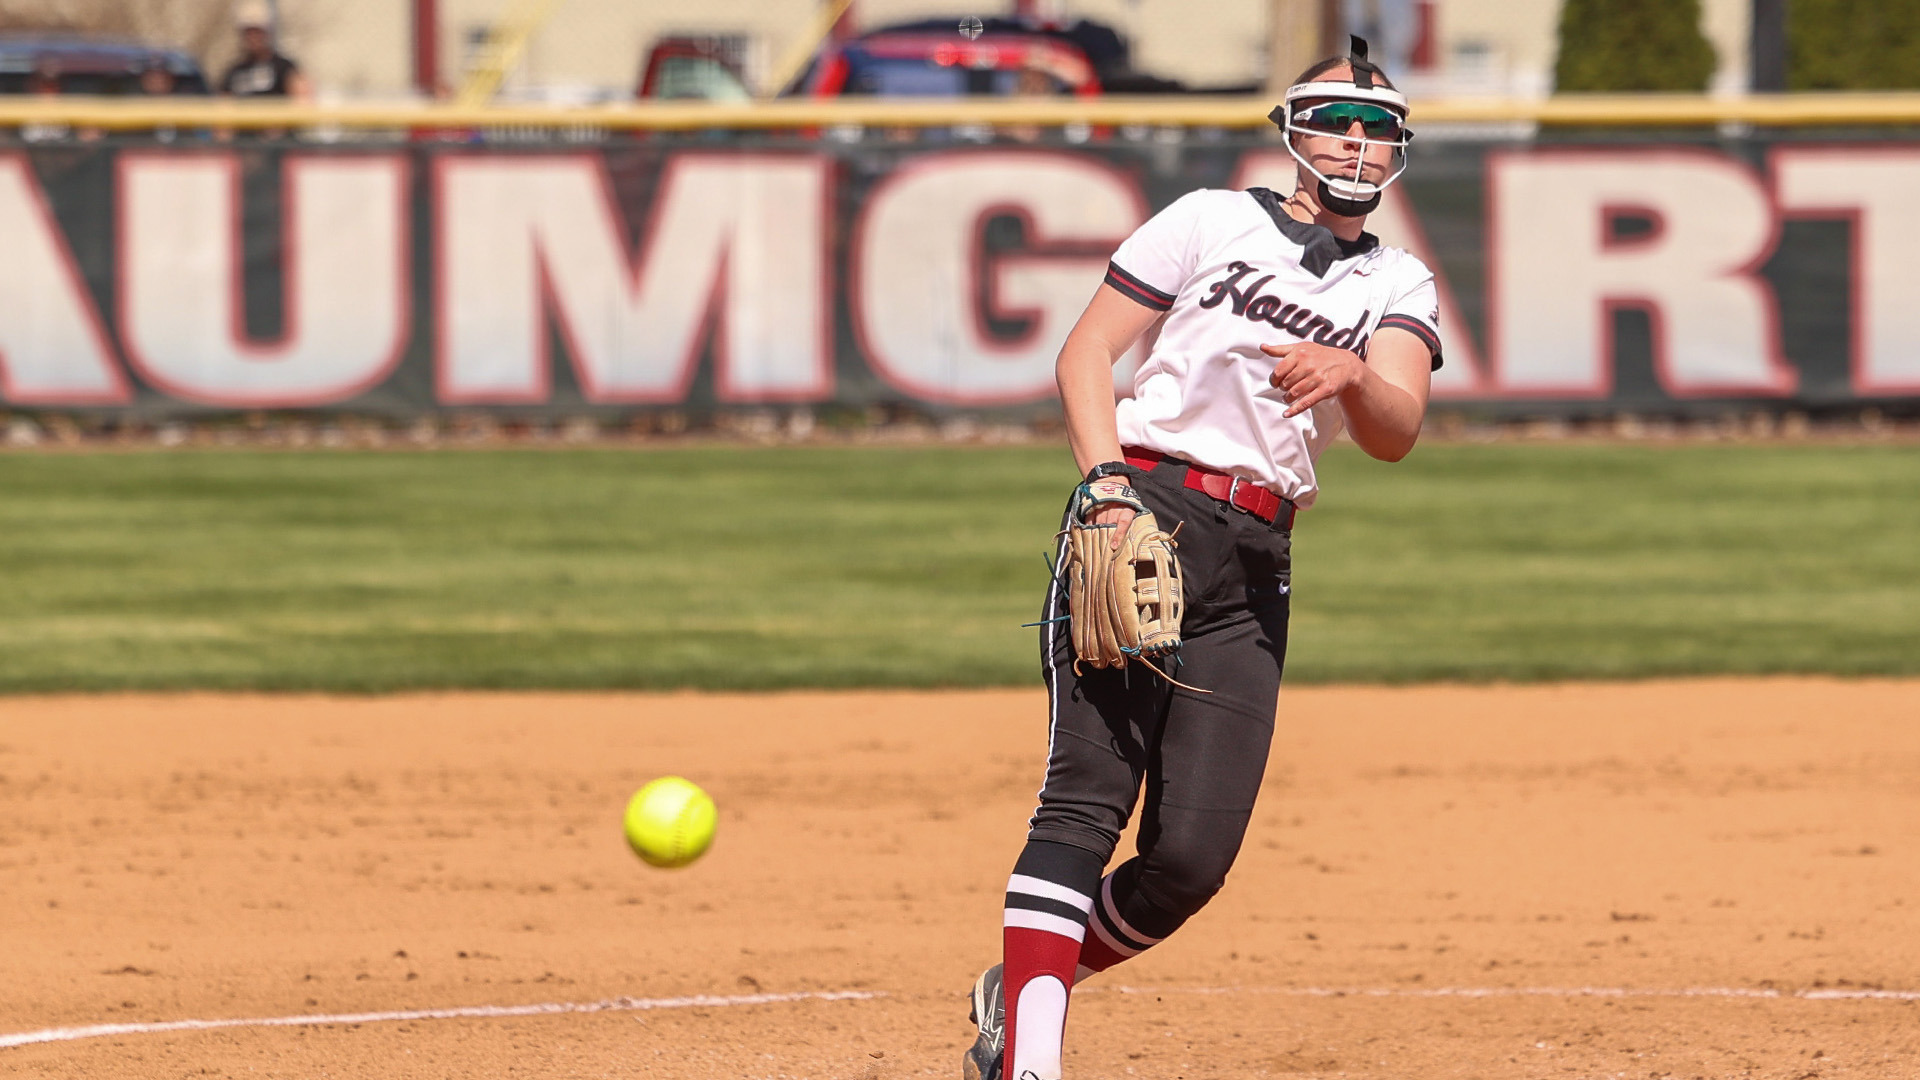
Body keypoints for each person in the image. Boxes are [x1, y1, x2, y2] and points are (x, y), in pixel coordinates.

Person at [962, 36, 1443, 1080]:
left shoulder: (1396, 280)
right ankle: (1028, 1062)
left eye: (1377, 130)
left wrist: (1352, 373)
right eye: (1337, 123)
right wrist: (1103, 487)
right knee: (1086, 798)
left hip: (1257, 560)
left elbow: (1397, 426)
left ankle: (1028, 982)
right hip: (1149, 510)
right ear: (1293, 131)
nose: (1356, 145)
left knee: (1187, 861)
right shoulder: (1211, 219)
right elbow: (1085, 352)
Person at [219, 8, 310, 100]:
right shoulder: (234, 71)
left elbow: (302, 98)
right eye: (249, 33)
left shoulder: (284, 67)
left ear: (267, 34)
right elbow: (224, 101)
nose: (253, 38)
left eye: (257, 33)